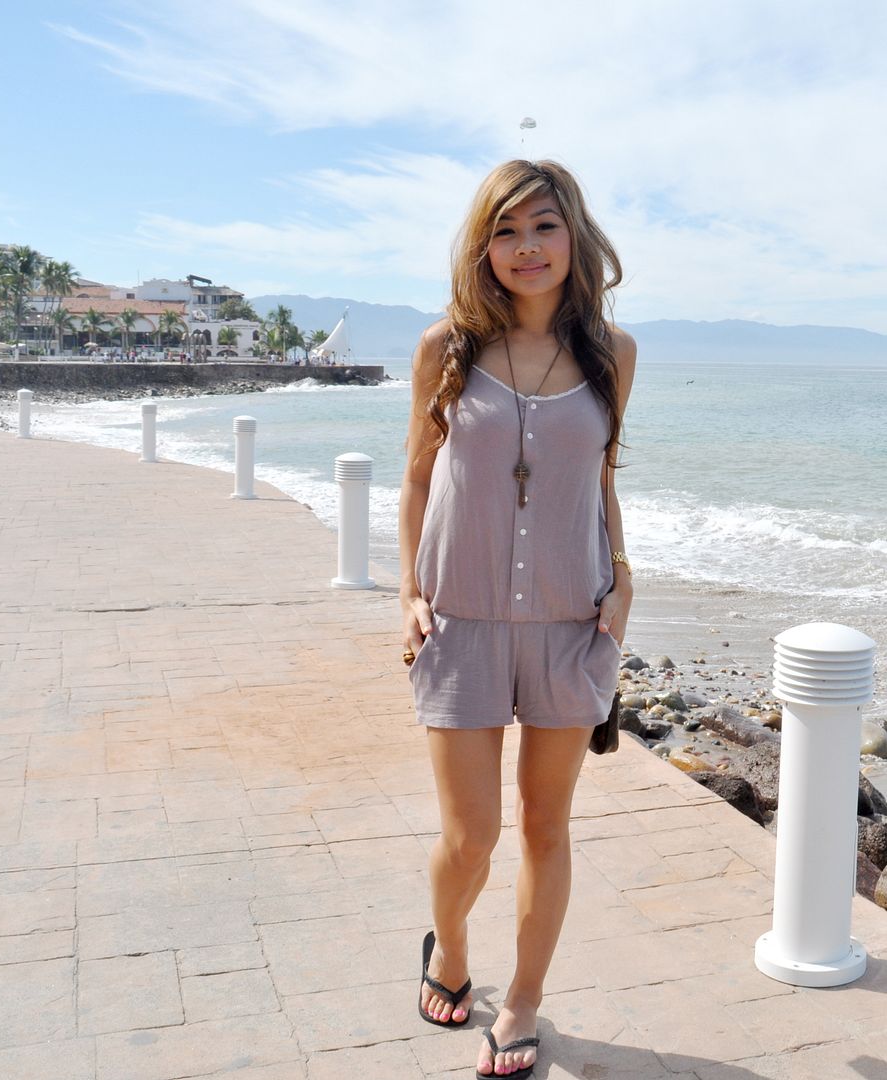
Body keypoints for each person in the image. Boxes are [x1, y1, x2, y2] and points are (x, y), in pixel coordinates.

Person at [397, 159, 634, 1079]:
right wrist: (409, 594)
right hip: (461, 621)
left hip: (573, 622)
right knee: (471, 839)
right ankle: (451, 951)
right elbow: (418, 477)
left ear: (574, 236)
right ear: (483, 246)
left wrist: (623, 578)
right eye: (505, 231)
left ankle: (524, 1001)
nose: (526, 248)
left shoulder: (613, 355)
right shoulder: (446, 348)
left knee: (546, 826)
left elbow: (603, 478)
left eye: (543, 227)